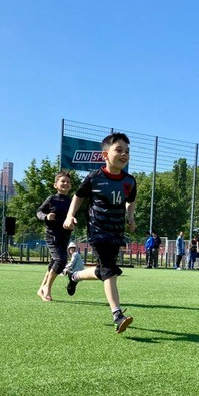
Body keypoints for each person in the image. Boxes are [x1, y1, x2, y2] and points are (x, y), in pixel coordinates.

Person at [63, 132, 137, 334]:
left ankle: (74, 275)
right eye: (119, 150)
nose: (124, 154)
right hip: (97, 229)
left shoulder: (129, 181)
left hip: (116, 231)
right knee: (109, 269)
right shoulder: (94, 177)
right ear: (105, 155)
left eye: (127, 151)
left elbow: (130, 200)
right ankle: (117, 315)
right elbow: (78, 196)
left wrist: (130, 218)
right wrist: (69, 216)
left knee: (104, 270)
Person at [35, 171, 72, 301]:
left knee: (54, 262)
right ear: (55, 185)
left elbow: (71, 216)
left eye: (68, 182)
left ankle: (41, 289)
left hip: (65, 235)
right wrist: (46, 216)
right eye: (63, 181)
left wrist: (73, 223)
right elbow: (39, 212)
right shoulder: (52, 199)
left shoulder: (71, 201)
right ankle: (47, 288)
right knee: (61, 261)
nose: (66, 183)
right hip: (52, 235)